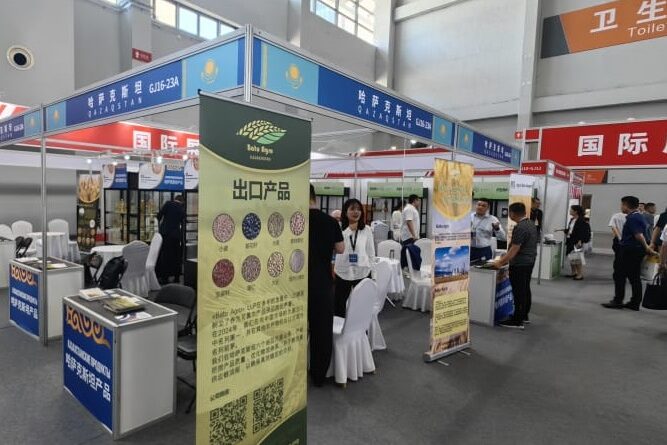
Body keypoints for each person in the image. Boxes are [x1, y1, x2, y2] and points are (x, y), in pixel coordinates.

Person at [308, 185, 344, 386]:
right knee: (321, 329)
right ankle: (318, 375)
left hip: (295, 283)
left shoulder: (294, 219)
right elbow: (341, 248)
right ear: (315, 197)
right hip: (322, 281)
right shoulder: (330, 221)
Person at [602, 196, 658, 311]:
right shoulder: (637, 216)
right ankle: (634, 302)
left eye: (622, 204)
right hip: (633, 250)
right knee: (633, 276)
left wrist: (647, 248)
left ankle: (619, 300)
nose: (621, 207)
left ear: (626, 205)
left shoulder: (633, 218)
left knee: (620, 275)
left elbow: (639, 235)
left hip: (630, 251)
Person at [492, 202, 538, 329]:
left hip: (520, 264)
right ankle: (524, 316)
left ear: (512, 213)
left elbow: (515, 249)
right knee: (525, 289)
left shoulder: (520, 227)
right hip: (529, 262)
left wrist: (500, 262)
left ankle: (517, 320)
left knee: (519, 292)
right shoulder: (530, 223)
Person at [334, 198, 375, 317]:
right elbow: (336, 247)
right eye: (352, 209)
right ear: (345, 212)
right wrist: (349, 230)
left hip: (362, 271)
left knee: (362, 305)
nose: (356, 212)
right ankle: (340, 327)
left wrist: (373, 274)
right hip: (343, 272)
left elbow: (371, 253)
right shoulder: (338, 228)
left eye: (358, 209)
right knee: (339, 306)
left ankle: (360, 328)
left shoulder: (366, 229)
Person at [155, 194, 186, 283]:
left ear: (175, 199)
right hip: (176, 236)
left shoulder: (168, 204)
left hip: (165, 234)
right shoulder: (182, 209)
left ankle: (165, 277)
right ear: (182, 201)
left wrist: (162, 225)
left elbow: (159, 216)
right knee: (176, 256)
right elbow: (182, 222)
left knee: (165, 256)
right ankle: (176, 277)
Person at [562, 205, 591, 280]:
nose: (570, 211)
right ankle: (573, 272)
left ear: (576, 211)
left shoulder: (581, 220)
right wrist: (565, 230)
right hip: (570, 240)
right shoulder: (572, 219)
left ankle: (580, 274)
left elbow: (582, 232)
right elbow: (571, 230)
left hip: (577, 241)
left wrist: (580, 241)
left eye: (571, 210)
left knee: (577, 258)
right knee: (571, 257)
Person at [608, 210, 626, 291]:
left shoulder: (615, 215)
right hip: (628, 241)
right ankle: (622, 273)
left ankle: (617, 273)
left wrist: (618, 236)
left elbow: (613, 227)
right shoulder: (634, 216)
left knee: (618, 257)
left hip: (618, 240)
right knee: (624, 258)